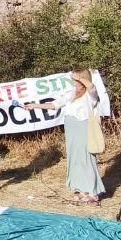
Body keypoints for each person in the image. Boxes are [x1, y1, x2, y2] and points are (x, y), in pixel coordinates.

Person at [25, 69, 105, 204]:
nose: (73, 82)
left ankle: (92, 192)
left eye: (76, 80)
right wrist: (34, 106)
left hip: (83, 128)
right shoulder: (72, 93)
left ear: (81, 79)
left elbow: (91, 86)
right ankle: (80, 189)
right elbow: (54, 105)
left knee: (86, 158)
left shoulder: (90, 95)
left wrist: (80, 77)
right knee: (74, 159)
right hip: (71, 128)